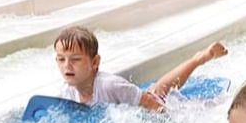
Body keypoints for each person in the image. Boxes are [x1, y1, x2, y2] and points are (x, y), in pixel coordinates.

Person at [51, 26, 227, 111]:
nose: (67, 65)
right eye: (61, 59)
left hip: (145, 104)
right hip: (132, 102)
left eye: (75, 59)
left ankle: (199, 59)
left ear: (95, 62)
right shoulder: (66, 92)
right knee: (158, 90)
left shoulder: (110, 85)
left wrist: (169, 121)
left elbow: (149, 102)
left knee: (159, 95)